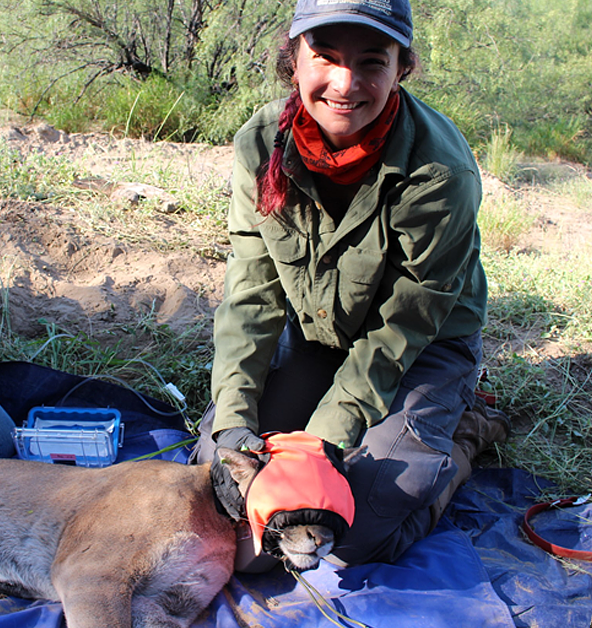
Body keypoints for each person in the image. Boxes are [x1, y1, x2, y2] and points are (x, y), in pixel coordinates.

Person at [191, 0, 506, 569]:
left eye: (371, 62)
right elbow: (251, 293)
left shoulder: (439, 174)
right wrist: (234, 423)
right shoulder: (260, 144)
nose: (345, 83)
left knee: (349, 534)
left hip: (420, 350)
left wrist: (324, 440)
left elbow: (404, 326)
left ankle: (464, 433)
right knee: (230, 511)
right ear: (293, 60)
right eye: (326, 57)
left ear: (401, 68)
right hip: (319, 336)